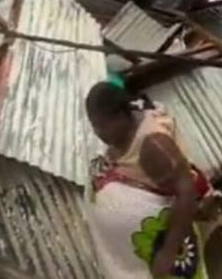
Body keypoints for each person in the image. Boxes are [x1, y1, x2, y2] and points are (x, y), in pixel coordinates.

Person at [84, 81, 211, 279]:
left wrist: (169, 251)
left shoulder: (153, 146)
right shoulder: (119, 136)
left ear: (121, 116)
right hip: (138, 252)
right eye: (94, 126)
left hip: (167, 241)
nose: (98, 134)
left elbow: (187, 193)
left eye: (102, 126)